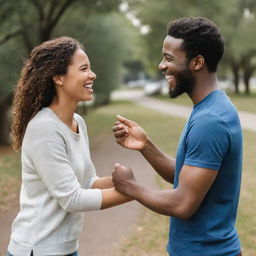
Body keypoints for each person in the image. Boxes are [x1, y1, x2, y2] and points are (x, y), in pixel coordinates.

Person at [112, 17, 243, 256]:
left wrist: (131, 187)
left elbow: (183, 203)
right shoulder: (210, 108)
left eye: (169, 58)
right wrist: (145, 146)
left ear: (197, 62)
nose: (162, 66)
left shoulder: (210, 121)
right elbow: (186, 177)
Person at [8, 36, 131, 256]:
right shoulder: (44, 129)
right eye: (84, 68)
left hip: (65, 249)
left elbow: (88, 182)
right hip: (37, 249)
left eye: (90, 69)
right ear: (58, 77)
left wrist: (119, 181)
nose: (92, 75)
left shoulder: (78, 122)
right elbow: (73, 199)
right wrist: (136, 193)